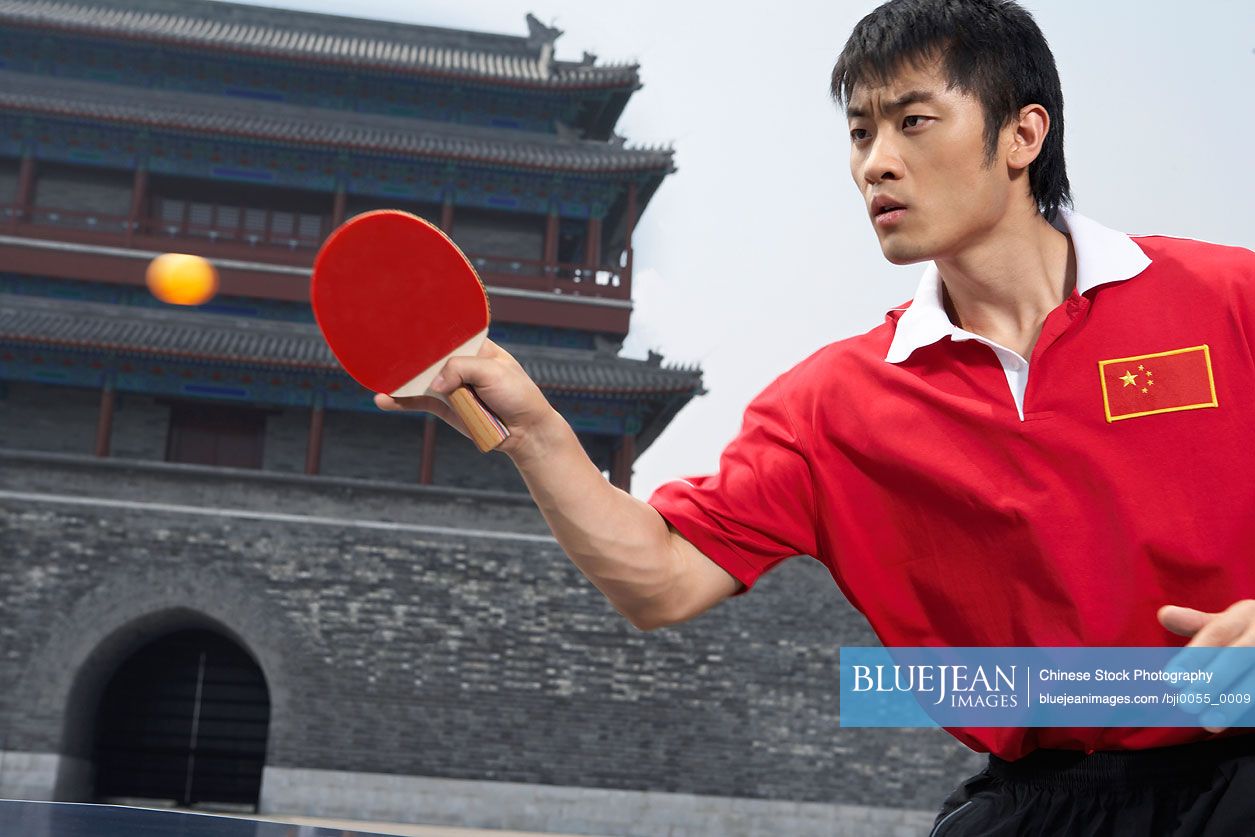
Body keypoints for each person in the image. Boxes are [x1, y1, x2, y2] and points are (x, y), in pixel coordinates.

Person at [376, 0, 1255, 832]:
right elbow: (663, 577)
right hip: (1041, 802)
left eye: (912, 122)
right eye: (860, 131)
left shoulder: (1226, 298)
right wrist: (532, 432)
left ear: (1022, 134)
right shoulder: (832, 404)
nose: (874, 161)